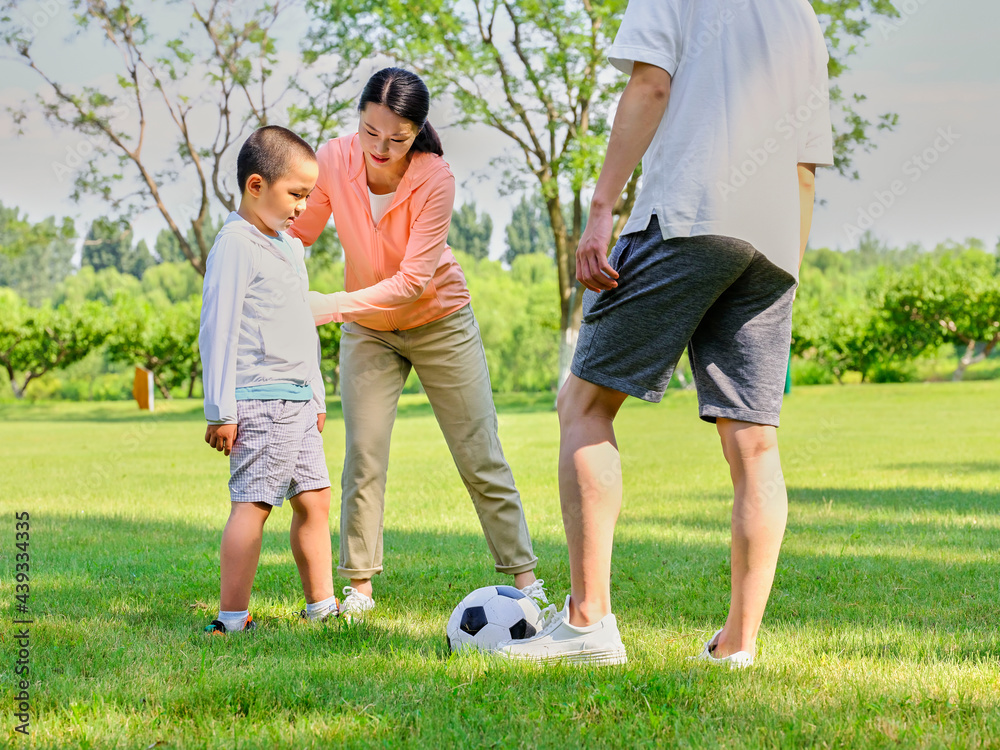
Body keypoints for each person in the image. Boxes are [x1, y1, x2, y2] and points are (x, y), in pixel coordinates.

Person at [500, 0, 834, 666]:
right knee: (755, 443)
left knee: (584, 405)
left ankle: (589, 624)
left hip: (689, 212)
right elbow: (806, 162)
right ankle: (737, 646)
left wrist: (601, 210)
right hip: (772, 241)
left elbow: (650, 85)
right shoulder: (800, 13)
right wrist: (785, 270)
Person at [289, 68, 545, 618]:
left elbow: (411, 282)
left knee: (479, 451)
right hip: (369, 329)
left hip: (438, 321)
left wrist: (326, 306)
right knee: (364, 453)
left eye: (397, 138)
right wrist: (256, 242)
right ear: (357, 120)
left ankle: (525, 581)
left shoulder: (435, 177)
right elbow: (300, 231)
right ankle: (358, 589)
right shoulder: (333, 158)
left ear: (417, 132)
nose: (380, 148)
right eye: (370, 131)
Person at [199, 126, 337, 634]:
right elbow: (218, 329)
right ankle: (232, 619)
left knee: (315, 499)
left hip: (297, 401)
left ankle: (322, 607)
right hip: (259, 401)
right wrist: (220, 410)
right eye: (295, 194)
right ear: (256, 185)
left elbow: (302, 324)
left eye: (308, 195)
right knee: (254, 505)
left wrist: (316, 394)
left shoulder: (287, 247)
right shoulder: (236, 244)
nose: (303, 207)